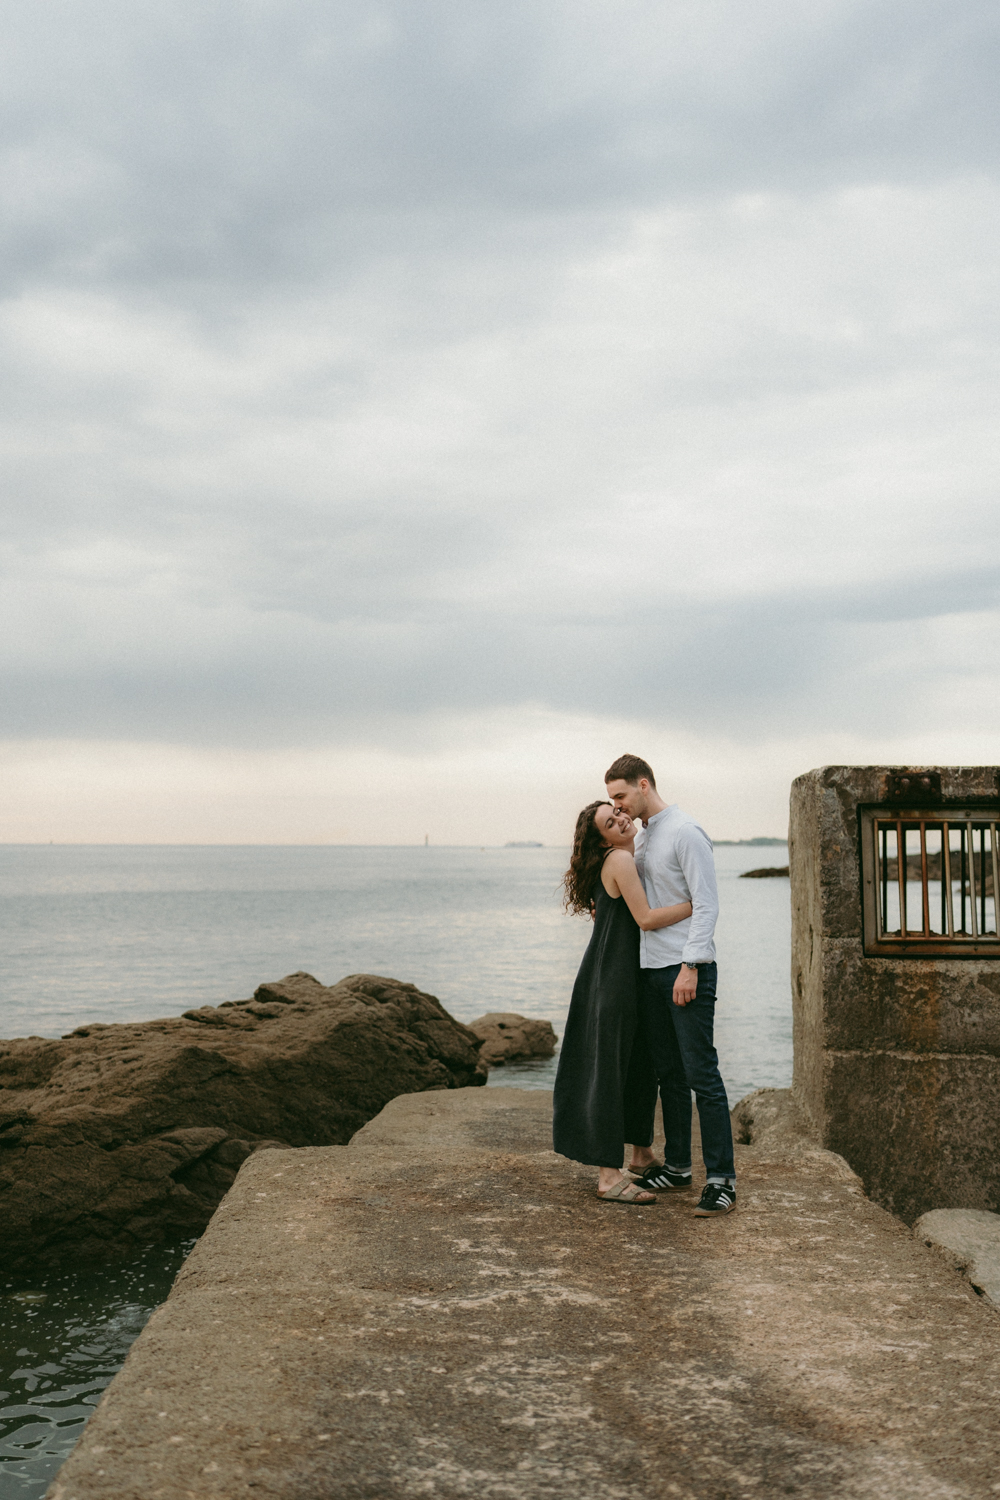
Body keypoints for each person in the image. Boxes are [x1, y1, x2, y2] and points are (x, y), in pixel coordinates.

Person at [604, 753, 736, 1217]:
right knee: (670, 1075)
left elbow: (707, 903)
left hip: (685, 969)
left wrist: (692, 965)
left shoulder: (685, 831)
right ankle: (679, 1166)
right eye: (611, 801)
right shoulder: (642, 840)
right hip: (650, 970)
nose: (617, 807)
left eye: (621, 795)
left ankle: (722, 1181)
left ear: (644, 784)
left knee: (702, 1073)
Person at [553, 799, 693, 1205]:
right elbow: (646, 919)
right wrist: (695, 905)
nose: (620, 819)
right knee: (611, 1069)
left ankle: (641, 1154)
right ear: (602, 839)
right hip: (612, 978)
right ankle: (607, 1176)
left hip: (629, 975)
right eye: (609, 822)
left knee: (640, 1063)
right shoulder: (619, 860)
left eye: (617, 812)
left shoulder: (628, 856)